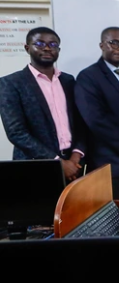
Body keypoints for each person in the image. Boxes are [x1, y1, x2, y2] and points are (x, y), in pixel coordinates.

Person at [0, 27, 86, 181]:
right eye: (39, 43)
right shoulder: (10, 83)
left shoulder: (68, 81)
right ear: (27, 48)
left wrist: (76, 156)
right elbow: (16, 132)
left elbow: (81, 122)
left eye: (53, 45)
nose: (47, 48)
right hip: (35, 166)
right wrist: (57, 162)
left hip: (75, 165)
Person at [75, 27, 119, 199]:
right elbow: (95, 119)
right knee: (114, 217)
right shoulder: (88, 76)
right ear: (101, 45)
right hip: (107, 163)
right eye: (114, 43)